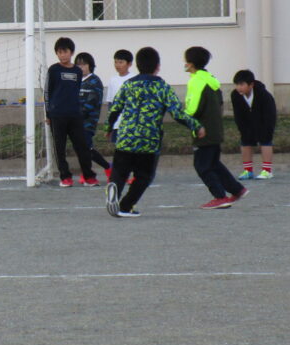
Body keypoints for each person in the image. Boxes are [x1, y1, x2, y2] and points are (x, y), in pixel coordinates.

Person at [105, 47, 204, 218]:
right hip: (149, 140)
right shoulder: (162, 87)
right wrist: (196, 126)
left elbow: (115, 109)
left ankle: (114, 187)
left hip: (126, 137)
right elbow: (177, 113)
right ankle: (125, 206)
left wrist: (108, 128)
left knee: (120, 172)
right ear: (157, 66)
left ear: (137, 65)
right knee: (144, 176)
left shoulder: (128, 84)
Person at [184, 46, 248, 209]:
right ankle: (237, 189)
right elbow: (219, 102)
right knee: (213, 163)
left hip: (203, 130)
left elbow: (192, 109)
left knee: (202, 166)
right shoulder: (211, 79)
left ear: (191, 64)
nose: (184, 64)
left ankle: (220, 196)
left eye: (186, 61)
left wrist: (183, 115)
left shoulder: (196, 81)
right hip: (215, 128)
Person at [45, 37, 98, 187]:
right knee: (59, 148)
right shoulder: (53, 70)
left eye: (65, 52)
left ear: (72, 52)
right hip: (57, 115)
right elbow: (47, 92)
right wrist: (48, 114)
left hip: (75, 115)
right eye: (59, 52)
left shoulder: (77, 71)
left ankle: (88, 176)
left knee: (82, 147)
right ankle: (65, 177)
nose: (62, 55)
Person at [231, 69, 277, 180]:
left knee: (265, 140)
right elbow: (238, 114)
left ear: (251, 84)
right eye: (237, 84)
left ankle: (267, 171)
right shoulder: (235, 95)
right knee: (245, 141)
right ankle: (248, 171)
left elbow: (269, 114)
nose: (239, 87)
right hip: (247, 121)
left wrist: (266, 127)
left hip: (264, 120)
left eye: (242, 84)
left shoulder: (264, 95)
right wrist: (242, 127)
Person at [74, 52, 110, 181]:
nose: (81, 67)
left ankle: (106, 168)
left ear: (90, 66)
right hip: (75, 121)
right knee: (81, 148)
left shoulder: (95, 81)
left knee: (86, 147)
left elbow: (91, 103)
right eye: (78, 65)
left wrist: (77, 115)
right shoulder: (75, 81)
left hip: (88, 121)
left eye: (84, 64)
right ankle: (87, 171)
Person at [106, 49, 134, 146]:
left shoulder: (134, 79)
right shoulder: (112, 80)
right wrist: (109, 125)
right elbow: (110, 103)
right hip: (116, 124)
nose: (117, 65)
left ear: (129, 64)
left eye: (121, 62)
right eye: (116, 62)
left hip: (131, 124)